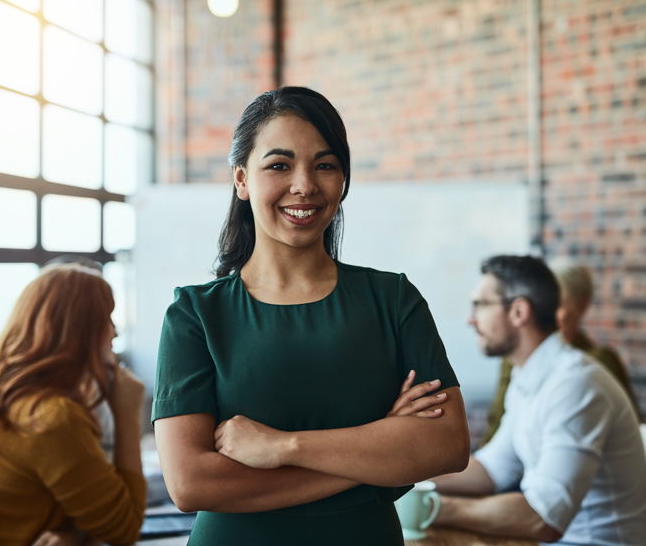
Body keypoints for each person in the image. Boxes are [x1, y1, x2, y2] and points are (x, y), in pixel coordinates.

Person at [152, 86, 470, 546]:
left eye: (325, 165)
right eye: (279, 165)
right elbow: (192, 485)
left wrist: (283, 448)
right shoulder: (195, 315)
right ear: (241, 180)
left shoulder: (393, 299)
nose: (304, 185)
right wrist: (377, 458)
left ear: (342, 180)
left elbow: (447, 445)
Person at [431, 255, 646, 544]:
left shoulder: (576, 385)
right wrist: (401, 482)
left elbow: (544, 518)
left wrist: (431, 508)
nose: (470, 319)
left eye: (481, 305)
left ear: (519, 312)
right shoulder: (527, 375)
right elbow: (491, 470)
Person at [0, 264, 147, 546]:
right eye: (107, 318)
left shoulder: (6, 395)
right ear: (79, 331)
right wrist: (127, 415)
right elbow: (124, 531)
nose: (114, 332)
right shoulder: (52, 418)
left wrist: (75, 534)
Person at [482, 257, 638, 446]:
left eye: (557, 305)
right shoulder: (518, 359)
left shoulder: (590, 367)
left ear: (581, 306)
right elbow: (497, 433)